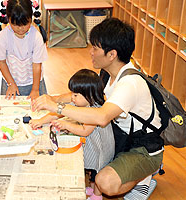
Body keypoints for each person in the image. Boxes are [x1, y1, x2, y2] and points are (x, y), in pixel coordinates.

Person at [32, 18, 164, 200]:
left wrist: (57, 107)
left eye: (95, 48)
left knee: (104, 182)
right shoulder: (107, 72)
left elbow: (102, 117)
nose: (91, 52)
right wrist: (52, 99)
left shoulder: (129, 84)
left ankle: (144, 178)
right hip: (119, 138)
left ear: (112, 54)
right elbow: (83, 96)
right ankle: (131, 170)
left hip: (141, 149)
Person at [30, 69, 115, 198]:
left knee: (96, 172)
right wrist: (41, 120)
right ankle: (92, 189)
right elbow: (59, 112)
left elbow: (85, 131)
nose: (72, 98)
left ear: (89, 95)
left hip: (100, 149)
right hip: (92, 145)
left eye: (75, 95)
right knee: (92, 172)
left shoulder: (95, 110)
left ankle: (97, 195)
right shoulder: (81, 102)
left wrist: (67, 125)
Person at [0, 0, 48, 100]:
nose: (21, 29)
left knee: (38, 112)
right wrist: (11, 83)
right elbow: (1, 62)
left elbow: (37, 65)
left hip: (34, 82)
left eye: (25, 24)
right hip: (10, 81)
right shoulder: (2, 37)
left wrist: (35, 89)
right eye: (16, 24)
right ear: (8, 19)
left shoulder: (36, 37)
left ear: (31, 19)